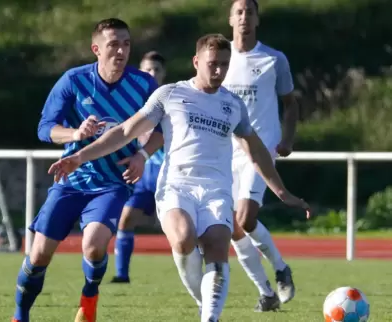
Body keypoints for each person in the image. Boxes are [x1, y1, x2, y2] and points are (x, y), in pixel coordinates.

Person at [48, 33, 310, 322]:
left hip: (216, 190)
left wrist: (282, 192)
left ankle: (210, 318)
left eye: (225, 64)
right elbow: (124, 131)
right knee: (184, 239)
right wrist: (80, 156)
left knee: (218, 246)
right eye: (212, 64)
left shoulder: (233, 104)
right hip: (176, 186)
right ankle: (204, 302)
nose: (219, 71)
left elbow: (256, 150)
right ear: (196, 61)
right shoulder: (170, 94)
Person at [10, 18, 162, 322]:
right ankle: (20, 316)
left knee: (93, 247)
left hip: (113, 183)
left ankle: (90, 295)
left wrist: (142, 154)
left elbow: (163, 129)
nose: (121, 51)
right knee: (38, 255)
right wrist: (75, 134)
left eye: (126, 43)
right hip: (72, 180)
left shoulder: (144, 84)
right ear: (96, 49)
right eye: (113, 44)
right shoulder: (73, 80)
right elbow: (45, 128)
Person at [223, 0, 301, 309]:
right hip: (225, 152)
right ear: (231, 18)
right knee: (233, 227)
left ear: (257, 19)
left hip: (261, 148)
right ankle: (267, 292)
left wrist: (287, 139)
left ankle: (281, 268)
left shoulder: (273, 59)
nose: (244, 17)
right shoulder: (218, 57)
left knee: (245, 216)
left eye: (250, 12)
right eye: (239, 12)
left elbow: (291, 103)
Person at [111, 51, 167, 283]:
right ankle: (122, 275)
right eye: (147, 70)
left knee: (183, 230)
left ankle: (204, 273)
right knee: (125, 219)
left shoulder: (172, 100)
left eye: (156, 70)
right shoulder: (132, 102)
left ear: (164, 74)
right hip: (144, 176)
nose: (151, 74)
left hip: (170, 175)